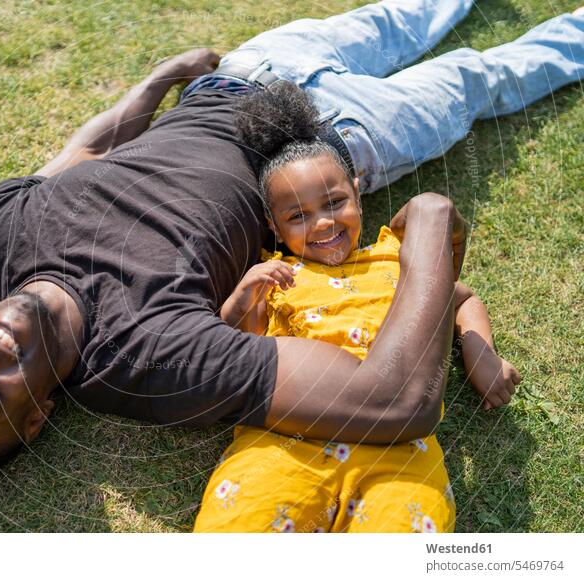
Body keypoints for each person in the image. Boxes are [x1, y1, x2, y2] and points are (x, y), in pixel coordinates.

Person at [0, 1, 583, 479]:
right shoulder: (144, 359)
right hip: (337, 142)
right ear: (39, 416)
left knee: (400, 15)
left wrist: (165, 77)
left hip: (252, 68)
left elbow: (86, 151)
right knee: (481, 75)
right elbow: (394, 400)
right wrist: (429, 221)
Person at [193, 83, 521, 532]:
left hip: (401, 452)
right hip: (284, 442)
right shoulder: (271, 275)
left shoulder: (397, 257)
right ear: (272, 224)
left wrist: (479, 352)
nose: (323, 223)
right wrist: (241, 297)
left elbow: (459, 298)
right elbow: (237, 353)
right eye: (297, 216)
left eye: (334, 203)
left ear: (357, 190)